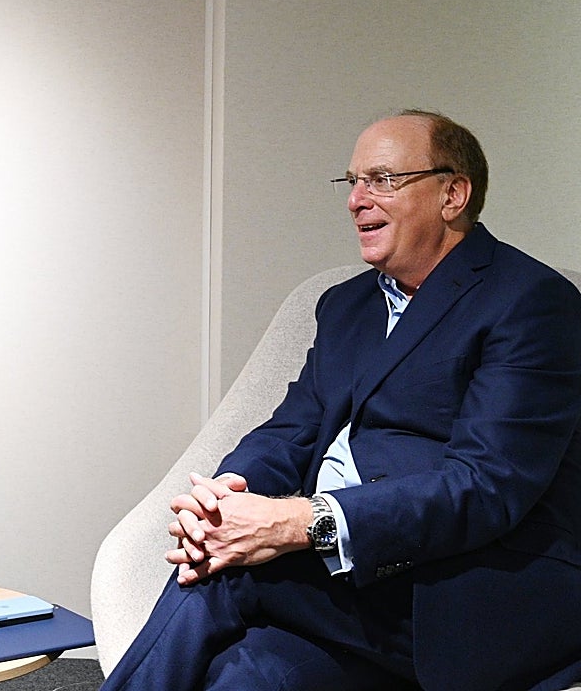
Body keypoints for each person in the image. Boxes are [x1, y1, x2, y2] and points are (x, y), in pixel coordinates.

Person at [101, 110, 581, 691]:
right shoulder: (345, 306)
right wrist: (229, 501)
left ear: (452, 193)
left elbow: (487, 487)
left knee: (220, 578)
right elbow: (290, 431)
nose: (356, 200)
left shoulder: (532, 302)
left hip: (468, 587)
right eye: (352, 181)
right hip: (350, 586)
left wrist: (305, 522)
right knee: (245, 679)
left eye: (381, 179)